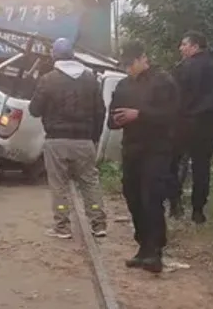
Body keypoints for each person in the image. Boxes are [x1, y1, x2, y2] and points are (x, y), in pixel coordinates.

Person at [108, 41, 178, 273]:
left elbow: (171, 115)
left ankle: (155, 251)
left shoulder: (163, 82)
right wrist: (117, 120)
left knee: (151, 198)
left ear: (141, 59)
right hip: (132, 149)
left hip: (156, 150)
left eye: (132, 63)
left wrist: (139, 115)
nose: (129, 68)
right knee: (133, 196)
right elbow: (112, 118)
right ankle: (143, 247)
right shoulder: (123, 86)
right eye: (125, 65)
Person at [27, 37, 108, 239]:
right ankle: (98, 224)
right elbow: (101, 111)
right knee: (89, 182)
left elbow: (34, 110)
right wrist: (94, 138)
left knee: (59, 184)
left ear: (54, 55)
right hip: (84, 140)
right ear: (73, 55)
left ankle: (62, 226)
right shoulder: (91, 79)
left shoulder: (48, 80)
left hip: (56, 141)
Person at [169, 32, 213, 224]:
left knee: (175, 163)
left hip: (182, 123)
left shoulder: (181, 69)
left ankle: (175, 204)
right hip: (205, 126)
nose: (181, 48)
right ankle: (198, 211)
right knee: (201, 167)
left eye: (184, 44)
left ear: (195, 46)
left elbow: (171, 97)